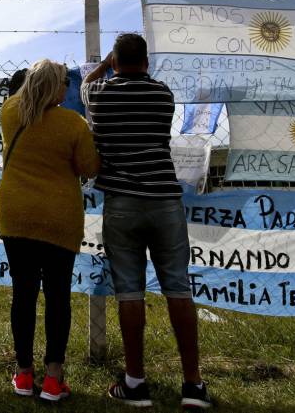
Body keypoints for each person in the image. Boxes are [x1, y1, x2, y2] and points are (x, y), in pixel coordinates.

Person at [82, 33, 210, 409]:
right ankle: (193, 384)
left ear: (116, 62)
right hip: (165, 200)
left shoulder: (102, 95)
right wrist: (121, 63)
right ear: (147, 63)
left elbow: (88, 85)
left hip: (122, 201)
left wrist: (105, 65)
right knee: (177, 287)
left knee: (129, 291)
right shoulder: (163, 95)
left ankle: (135, 381)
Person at [0, 59, 101, 402]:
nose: (68, 89)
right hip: (58, 217)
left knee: (23, 294)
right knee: (58, 297)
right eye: (64, 84)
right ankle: (54, 379)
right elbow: (88, 167)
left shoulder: (10, 112)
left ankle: (24, 374)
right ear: (55, 87)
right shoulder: (74, 124)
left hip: (15, 213)